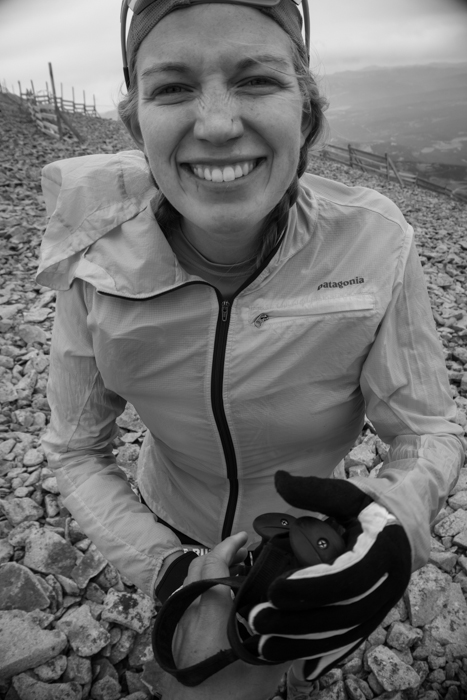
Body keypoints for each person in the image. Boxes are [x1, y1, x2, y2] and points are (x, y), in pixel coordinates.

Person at [38, 0, 465, 697]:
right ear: (137, 125)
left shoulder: (376, 241)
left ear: (307, 113)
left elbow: (424, 426)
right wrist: (171, 569)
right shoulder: (95, 261)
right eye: (172, 87)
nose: (215, 124)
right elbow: (76, 447)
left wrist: (392, 522)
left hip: (310, 543)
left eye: (257, 80)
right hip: (168, 521)